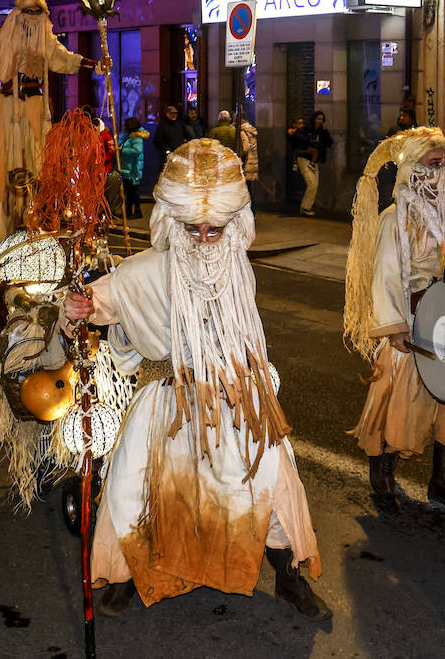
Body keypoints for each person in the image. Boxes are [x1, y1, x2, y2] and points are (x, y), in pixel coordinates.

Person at [63, 139, 329, 621]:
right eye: (194, 228)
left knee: (275, 482)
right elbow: (97, 303)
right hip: (168, 404)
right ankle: (127, 576)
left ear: (234, 226)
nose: (205, 237)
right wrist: (80, 308)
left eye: (215, 228)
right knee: (133, 490)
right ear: (172, 222)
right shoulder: (143, 271)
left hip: (237, 397)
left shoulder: (237, 268)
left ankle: (288, 576)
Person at [343, 127, 445, 511]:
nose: (443, 168)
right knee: (400, 403)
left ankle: (442, 481)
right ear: (414, 169)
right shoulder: (394, 218)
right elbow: (384, 273)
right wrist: (396, 326)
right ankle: (383, 474)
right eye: (435, 163)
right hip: (413, 322)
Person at [0, 0, 110, 258]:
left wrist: (94, 65)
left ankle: (36, 230)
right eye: (28, 13)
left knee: (39, 165)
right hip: (8, 107)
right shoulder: (1, 39)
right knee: (1, 166)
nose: (32, 18)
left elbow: (64, 58)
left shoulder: (46, 41)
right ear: (17, 15)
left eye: (37, 13)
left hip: (36, 108)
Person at [295, 112, 333, 216]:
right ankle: (305, 207)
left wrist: (325, 130)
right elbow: (298, 141)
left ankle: (307, 206)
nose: (319, 121)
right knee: (312, 183)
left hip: (314, 161)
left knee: (315, 184)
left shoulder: (321, 131)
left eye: (321, 119)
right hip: (304, 158)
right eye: (318, 119)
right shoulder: (306, 129)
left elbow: (329, 143)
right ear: (314, 119)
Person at [118, 117, 148, 219]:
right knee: (129, 191)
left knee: (133, 191)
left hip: (133, 168)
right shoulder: (128, 136)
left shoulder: (136, 137)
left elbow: (137, 151)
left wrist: (122, 150)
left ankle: (137, 211)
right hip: (127, 168)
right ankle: (128, 211)